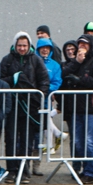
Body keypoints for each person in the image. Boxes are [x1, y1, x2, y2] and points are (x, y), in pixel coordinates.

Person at [0, 31, 50, 183]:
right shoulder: (7, 60)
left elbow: (44, 80)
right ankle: (12, 169)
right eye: (19, 45)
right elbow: (1, 81)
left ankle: (25, 169)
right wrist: (13, 80)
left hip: (29, 106)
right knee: (11, 138)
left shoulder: (36, 60)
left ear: (29, 46)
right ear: (15, 45)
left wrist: (39, 95)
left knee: (27, 139)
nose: (22, 48)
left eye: (25, 45)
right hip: (12, 105)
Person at [61, 34, 93, 184]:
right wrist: (76, 62)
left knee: (90, 141)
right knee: (78, 141)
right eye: (80, 44)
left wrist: (81, 80)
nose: (82, 47)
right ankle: (81, 168)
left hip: (91, 108)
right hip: (76, 107)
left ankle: (91, 172)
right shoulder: (76, 62)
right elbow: (64, 74)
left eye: (85, 44)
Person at [36, 37, 63, 171]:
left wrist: (45, 89)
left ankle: (37, 165)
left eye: (47, 48)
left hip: (46, 101)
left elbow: (57, 82)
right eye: (42, 48)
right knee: (35, 133)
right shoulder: (34, 62)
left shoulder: (55, 65)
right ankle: (57, 136)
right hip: (34, 101)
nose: (45, 50)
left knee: (45, 126)